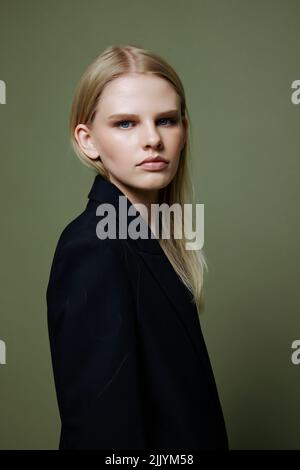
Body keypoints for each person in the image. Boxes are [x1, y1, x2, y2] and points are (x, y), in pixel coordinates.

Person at [46, 44, 229, 450]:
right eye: (126, 123)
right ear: (88, 140)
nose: (152, 139)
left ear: (184, 129)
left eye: (166, 120)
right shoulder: (93, 248)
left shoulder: (159, 240)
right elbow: (101, 436)